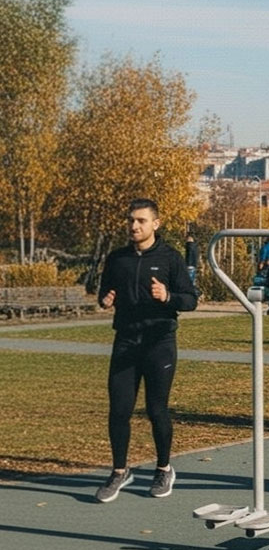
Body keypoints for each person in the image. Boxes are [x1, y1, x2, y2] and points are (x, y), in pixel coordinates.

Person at [94, 199, 199, 503]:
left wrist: (167, 295)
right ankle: (119, 471)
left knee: (157, 410)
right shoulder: (117, 258)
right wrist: (106, 299)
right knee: (119, 410)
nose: (134, 226)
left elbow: (190, 300)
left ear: (156, 223)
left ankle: (164, 467)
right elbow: (104, 291)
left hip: (159, 342)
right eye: (130, 220)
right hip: (126, 341)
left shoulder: (170, 258)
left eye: (141, 220)